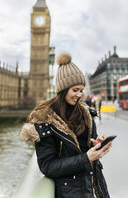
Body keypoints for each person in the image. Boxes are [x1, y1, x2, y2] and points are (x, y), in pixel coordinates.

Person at [21, 52, 112, 198]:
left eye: (81, 90)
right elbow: (47, 166)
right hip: (71, 192)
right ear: (63, 90)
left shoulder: (86, 114)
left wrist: (97, 144)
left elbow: (87, 151)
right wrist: (86, 158)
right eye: (75, 90)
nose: (79, 95)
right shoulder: (45, 120)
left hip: (94, 187)